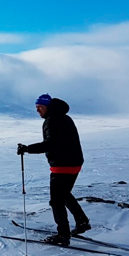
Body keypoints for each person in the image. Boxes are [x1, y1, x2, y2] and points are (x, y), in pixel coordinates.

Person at [16, 93, 90, 246]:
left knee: (56, 201)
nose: (37, 110)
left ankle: (63, 235)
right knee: (64, 194)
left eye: (40, 107)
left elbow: (50, 144)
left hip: (62, 165)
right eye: (36, 107)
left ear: (47, 107)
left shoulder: (53, 120)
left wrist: (27, 149)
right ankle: (82, 222)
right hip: (74, 163)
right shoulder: (63, 117)